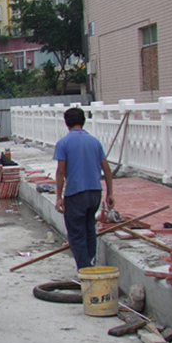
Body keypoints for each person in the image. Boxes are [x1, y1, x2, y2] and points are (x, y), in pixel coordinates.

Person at [53, 107, 115, 270]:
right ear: (83, 121)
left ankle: (85, 270)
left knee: (76, 234)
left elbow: (61, 171)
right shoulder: (94, 142)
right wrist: (110, 193)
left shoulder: (64, 143)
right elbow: (107, 169)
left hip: (76, 193)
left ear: (66, 123)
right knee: (89, 229)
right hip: (95, 193)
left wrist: (59, 197)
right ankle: (91, 263)